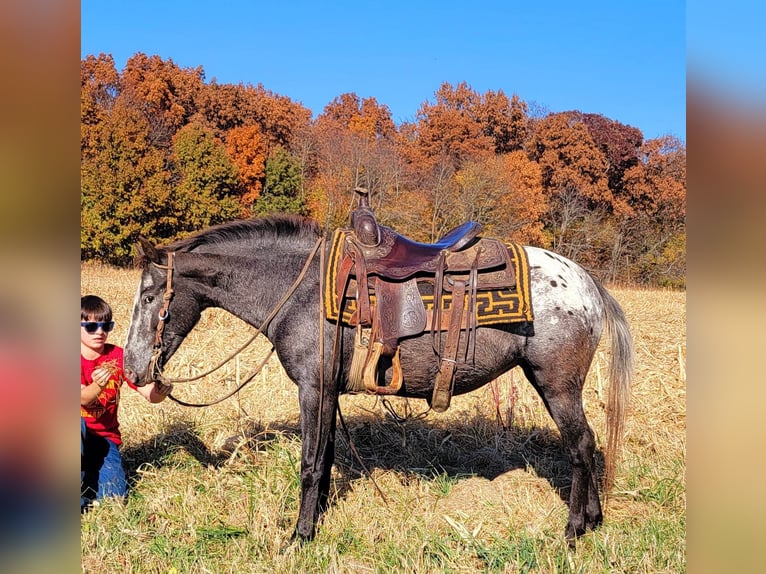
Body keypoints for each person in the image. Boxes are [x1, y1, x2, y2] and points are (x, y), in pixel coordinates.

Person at [80, 294, 172, 511]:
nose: (100, 332)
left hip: (105, 439)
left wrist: (161, 391)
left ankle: (90, 476)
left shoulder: (119, 356)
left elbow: (149, 395)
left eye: (106, 326)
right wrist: (97, 387)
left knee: (113, 501)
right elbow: (82, 397)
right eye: (91, 326)